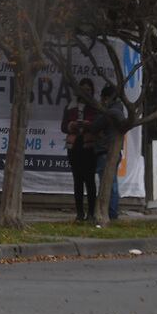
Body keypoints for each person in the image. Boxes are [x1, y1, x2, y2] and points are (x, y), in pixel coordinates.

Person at [60, 78, 99, 222]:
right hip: (74, 147)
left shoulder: (96, 106)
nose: (85, 92)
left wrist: (89, 125)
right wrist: (72, 125)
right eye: (83, 89)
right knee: (77, 181)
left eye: (88, 90)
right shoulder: (70, 106)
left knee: (90, 181)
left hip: (89, 147)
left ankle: (91, 213)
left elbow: (99, 125)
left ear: (92, 91)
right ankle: (79, 213)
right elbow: (63, 127)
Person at [89, 84, 128, 222]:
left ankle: (110, 212)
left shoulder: (110, 112)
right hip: (112, 150)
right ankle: (112, 212)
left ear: (106, 98)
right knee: (112, 183)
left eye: (102, 98)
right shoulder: (118, 111)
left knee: (108, 184)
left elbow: (94, 127)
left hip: (106, 150)